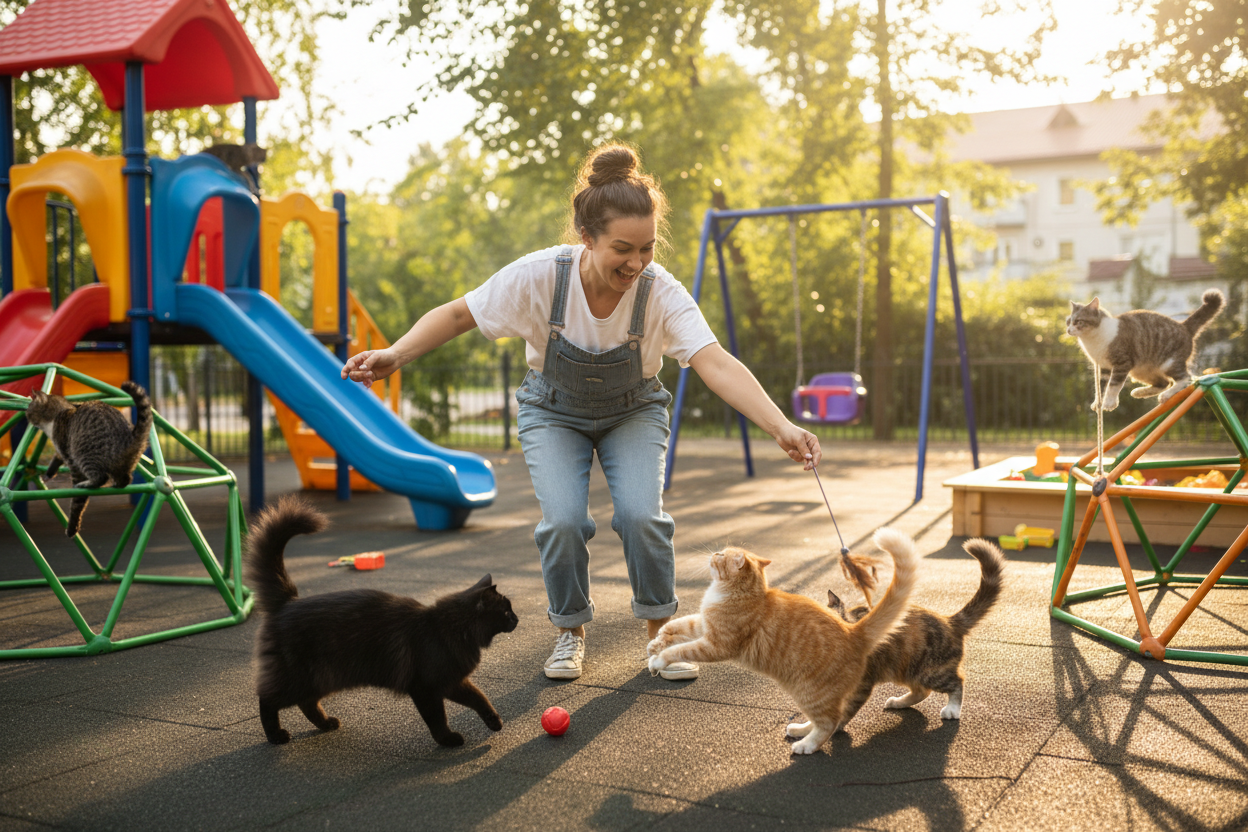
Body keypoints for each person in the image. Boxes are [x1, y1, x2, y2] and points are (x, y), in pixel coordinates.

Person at [341, 144, 822, 682]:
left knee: (642, 516)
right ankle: (570, 631)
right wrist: (395, 355)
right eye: (623, 248)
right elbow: (459, 314)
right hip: (552, 409)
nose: (637, 263)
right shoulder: (540, 276)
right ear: (587, 237)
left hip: (632, 410)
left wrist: (781, 425)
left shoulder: (660, 291)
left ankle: (661, 639)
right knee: (565, 521)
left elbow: (714, 361)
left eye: (647, 248)